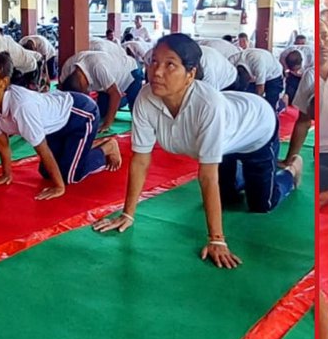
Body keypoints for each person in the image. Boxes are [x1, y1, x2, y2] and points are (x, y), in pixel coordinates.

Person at [92, 35, 301, 264]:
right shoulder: (145, 98)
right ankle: (242, 179)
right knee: (228, 198)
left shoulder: (207, 104)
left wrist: (217, 240)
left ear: (190, 74)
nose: (157, 71)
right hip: (225, 137)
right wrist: (127, 214)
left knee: (261, 204)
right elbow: (141, 160)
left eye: (170, 64)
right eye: (154, 61)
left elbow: (207, 176)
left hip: (257, 128)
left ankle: (291, 171)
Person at [0, 52, 121, 200]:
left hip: (80, 114)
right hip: (54, 125)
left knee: (70, 176)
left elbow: (42, 147)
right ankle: (83, 148)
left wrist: (59, 186)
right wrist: (6, 174)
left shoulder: (22, 106)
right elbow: (1, 140)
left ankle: (108, 147)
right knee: (46, 172)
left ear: (3, 82)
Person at [58, 47, 138, 130]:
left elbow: (115, 94)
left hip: (130, 71)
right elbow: (61, 90)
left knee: (137, 115)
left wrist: (107, 124)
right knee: (102, 112)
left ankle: (124, 99)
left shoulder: (98, 67)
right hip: (107, 82)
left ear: (84, 89)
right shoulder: (67, 68)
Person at [233, 44, 285, 109]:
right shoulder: (232, 61)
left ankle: (274, 115)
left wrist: (259, 108)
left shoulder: (258, 64)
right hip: (256, 66)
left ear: (250, 77)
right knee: (249, 97)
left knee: (271, 104)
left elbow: (260, 89)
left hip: (274, 74)